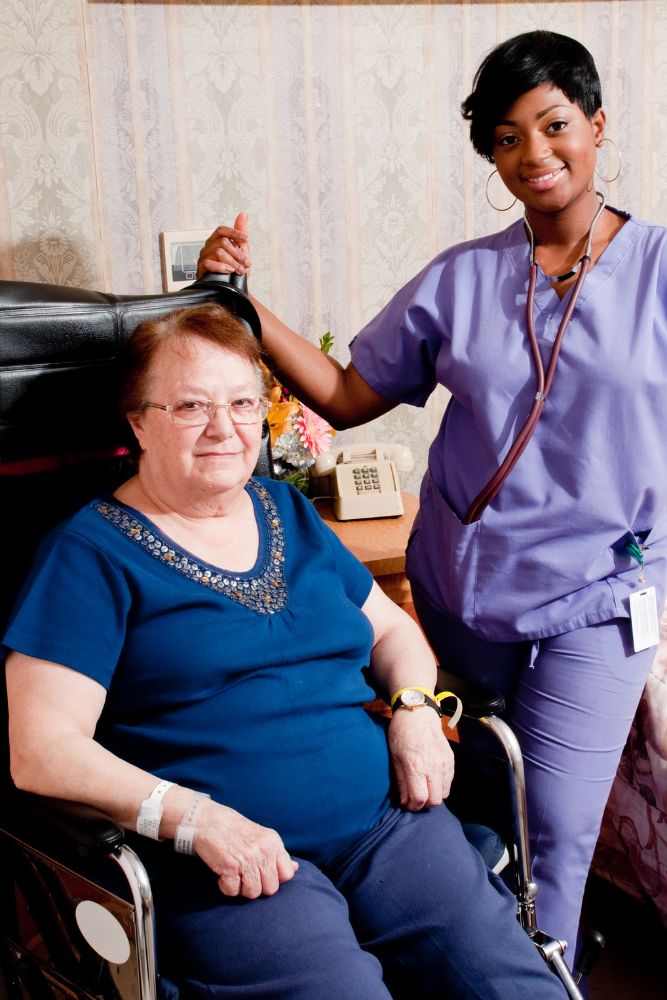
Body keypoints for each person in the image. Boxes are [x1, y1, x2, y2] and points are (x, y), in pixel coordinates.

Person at [196, 30, 667, 965]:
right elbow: (343, 396)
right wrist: (243, 307)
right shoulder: (461, 278)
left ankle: (544, 977)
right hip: (463, 587)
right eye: (504, 138)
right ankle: (469, 964)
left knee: (559, 825)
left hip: (600, 596)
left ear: (597, 125)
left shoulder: (657, 271)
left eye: (552, 124)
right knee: (471, 794)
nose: (532, 155)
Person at [2, 301, 567, 999]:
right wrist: (197, 819)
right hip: (228, 864)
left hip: (385, 828)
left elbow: (391, 631)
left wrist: (416, 710)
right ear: (138, 421)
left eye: (243, 403)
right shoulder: (90, 556)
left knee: (508, 981)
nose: (224, 428)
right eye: (189, 407)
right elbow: (39, 751)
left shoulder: (286, 510)